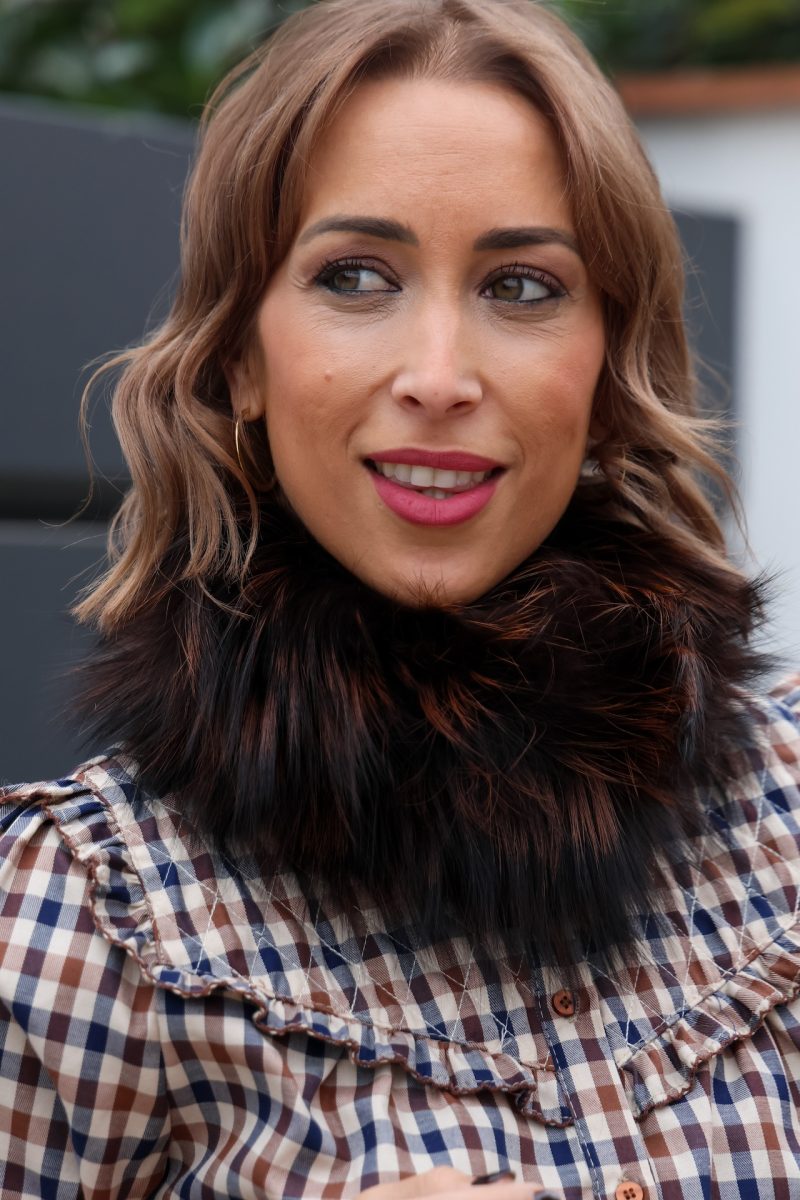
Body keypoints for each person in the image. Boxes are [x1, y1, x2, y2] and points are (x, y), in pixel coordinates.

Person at [1, 0, 799, 1196]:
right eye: (355, 276)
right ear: (239, 355)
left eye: (520, 286)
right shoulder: (83, 918)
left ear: (606, 361)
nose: (437, 377)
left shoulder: (785, 814)